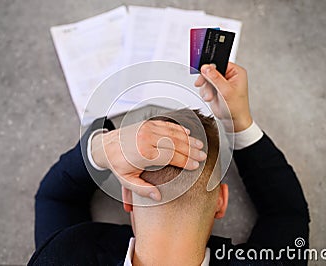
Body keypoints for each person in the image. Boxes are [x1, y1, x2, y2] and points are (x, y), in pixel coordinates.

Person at [28, 63, 310, 265]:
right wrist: (238, 123)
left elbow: (55, 198)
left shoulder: (63, 255)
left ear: (126, 196)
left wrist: (103, 147)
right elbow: (286, 213)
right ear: (221, 201)